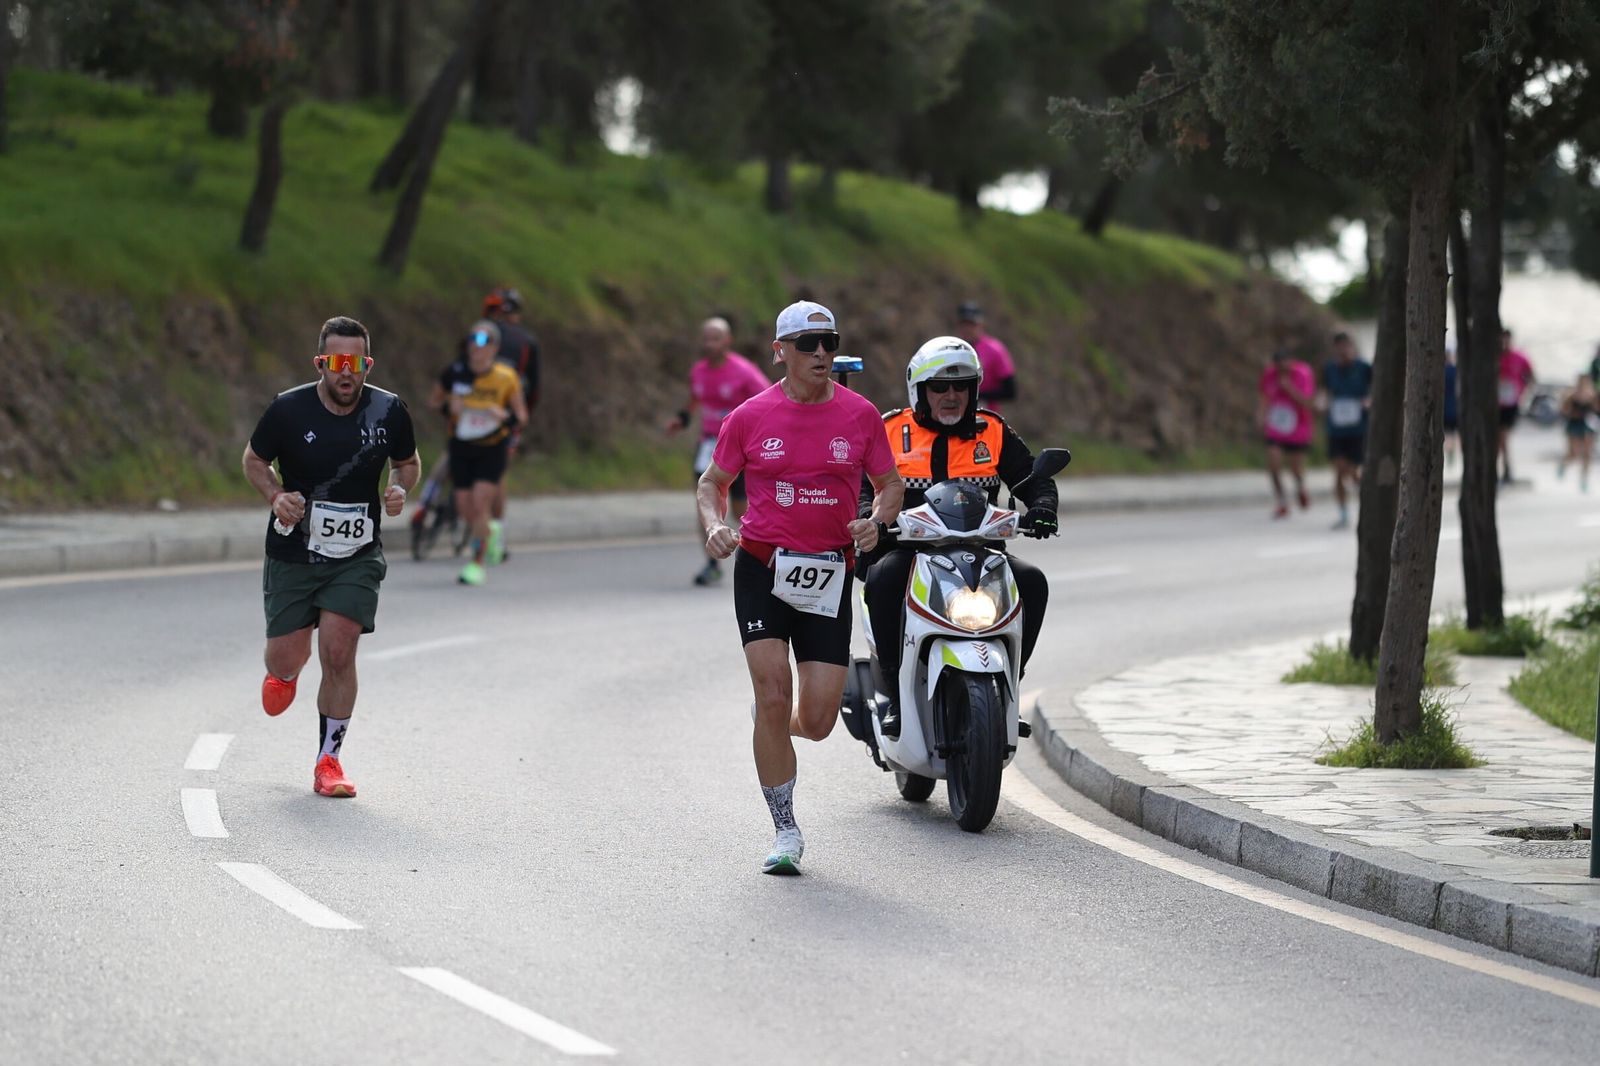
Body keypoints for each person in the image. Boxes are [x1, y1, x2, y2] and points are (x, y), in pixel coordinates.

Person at [698, 300, 903, 875]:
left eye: (829, 343)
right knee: (772, 693)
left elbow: (890, 484)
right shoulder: (750, 416)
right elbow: (712, 483)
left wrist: (877, 521)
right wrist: (715, 524)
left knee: (815, 722)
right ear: (779, 352)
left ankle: (777, 722)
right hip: (762, 568)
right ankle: (785, 828)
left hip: (829, 571)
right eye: (807, 344)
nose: (820, 354)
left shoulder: (860, 415)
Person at [241, 316, 420, 799]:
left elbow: (407, 462)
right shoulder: (288, 409)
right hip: (294, 550)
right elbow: (254, 460)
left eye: (356, 363)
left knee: (340, 653)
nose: (347, 372)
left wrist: (399, 487)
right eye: (338, 362)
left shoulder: (388, 411)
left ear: (367, 365)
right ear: (320, 363)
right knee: (285, 658)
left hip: (356, 555)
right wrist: (276, 496)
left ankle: (329, 761)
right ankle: (285, 672)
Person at [861, 336, 1058, 738]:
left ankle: (1009, 684)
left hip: (983, 551)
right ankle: (895, 694)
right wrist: (869, 517)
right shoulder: (890, 429)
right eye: (940, 387)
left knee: (1034, 581)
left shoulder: (993, 430)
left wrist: (1043, 508)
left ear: (974, 389)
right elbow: (861, 485)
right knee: (881, 579)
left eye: (962, 386)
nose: (951, 395)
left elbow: (1032, 480)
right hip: (909, 551)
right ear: (920, 391)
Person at [665, 316, 769, 586]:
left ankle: (760, 558)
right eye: (706, 339)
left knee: (740, 510)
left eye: (716, 339)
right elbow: (695, 399)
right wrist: (682, 419)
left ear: (728, 341)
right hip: (708, 446)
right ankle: (711, 564)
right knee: (706, 503)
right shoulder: (699, 371)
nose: (710, 344)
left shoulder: (744, 372)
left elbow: (771, 401)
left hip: (739, 447)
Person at [428, 320, 529, 586]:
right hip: (461, 446)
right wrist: (449, 408)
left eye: (483, 341)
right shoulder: (455, 372)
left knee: (480, 502)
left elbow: (521, 416)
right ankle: (488, 533)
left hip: (492, 447)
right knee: (465, 507)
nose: (476, 345)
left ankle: (476, 563)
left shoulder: (506, 377)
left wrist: (504, 416)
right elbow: (434, 401)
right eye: (472, 339)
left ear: (495, 347)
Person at [481, 287, 542, 561]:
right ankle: (497, 537)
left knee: (453, 453)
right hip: (506, 415)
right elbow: (534, 388)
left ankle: (426, 504)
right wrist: (522, 415)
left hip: (472, 407)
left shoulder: (480, 332)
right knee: (497, 472)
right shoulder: (527, 342)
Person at [1317, 332, 1372, 530]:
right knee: (1339, 471)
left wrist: (1369, 401)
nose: (1343, 350)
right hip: (1337, 428)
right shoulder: (1329, 369)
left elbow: (1376, 389)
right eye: (1339, 346)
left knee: (1354, 472)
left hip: (1358, 428)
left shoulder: (1364, 368)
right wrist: (1322, 402)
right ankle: (1343, 513)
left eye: (1346, 345)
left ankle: (1369, 499)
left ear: (1352, 346)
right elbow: (1324, 392)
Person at [1259, 349, 1316, 519]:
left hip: (1298, 426)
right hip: (1276, 425)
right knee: (1273, 463)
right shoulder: (1269, 374)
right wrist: (1261, 416)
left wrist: (1289, 388)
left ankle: (1300, 488)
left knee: (1295, 468)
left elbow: (1307, 402)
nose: (1281, 369)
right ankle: (1282, 501)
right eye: (1278, 365)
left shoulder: (1303, 373)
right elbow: (1264, 397)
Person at [953, 302, 1018, 412]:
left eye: (971, 324)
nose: (967, 329)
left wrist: (978, 395)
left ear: (981, 325)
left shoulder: (995, 350)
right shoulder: (951, 349)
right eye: (964, 324)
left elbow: (1010, 391)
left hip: (986, 414)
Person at [1497, 328, 1535, 484]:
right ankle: (1505, 468)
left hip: (1511, 403)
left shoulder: (1519, 357)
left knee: (1503, 436)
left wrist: (1523, 392)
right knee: (1499, 438)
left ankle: (1506, 468)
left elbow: (1531, 376)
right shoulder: (1494, 356)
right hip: (1495, 404)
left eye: (1507, 340)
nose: (1504, 343)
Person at [1558, 373, 1598, 491]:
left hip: (1588, 426)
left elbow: (1597, 410)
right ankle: (1563, 465)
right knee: (1573, 453)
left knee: (1587, 454)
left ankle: (1584, 479)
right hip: (1575, 425)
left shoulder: (1593, 396)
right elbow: (1564, 410)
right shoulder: (1572, 396)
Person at [1443, 344, 1460, 468]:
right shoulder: (1455, 370)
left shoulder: (1440, 371)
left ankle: (1449, 451)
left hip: (1444, 406)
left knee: (1446, 432)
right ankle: (1451, 450)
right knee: (1452, 433)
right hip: (1454, 405)